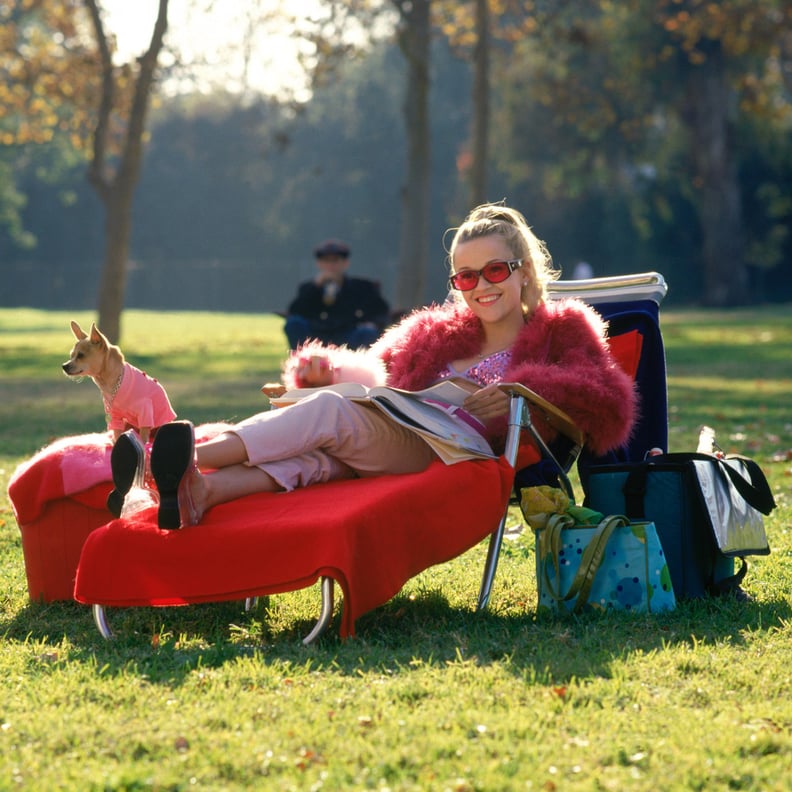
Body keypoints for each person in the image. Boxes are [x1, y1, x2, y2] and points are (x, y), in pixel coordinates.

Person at [113, 202, 638, 529]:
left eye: (495, 270)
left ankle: (179, 453)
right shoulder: (433, 334)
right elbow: (376, 374)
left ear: (525, 272)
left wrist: (522, 390)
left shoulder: (561, 328)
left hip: (462, 453)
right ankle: (199, 492)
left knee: (330, 416)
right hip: (400, 434)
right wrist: (329, 372)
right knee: (316, 455)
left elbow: (606, 399)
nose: (482, 286)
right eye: (466, 277)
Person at [284, 239, 391, 349]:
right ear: (319, 263)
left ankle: (356, 365)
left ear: (345, 263)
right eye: (326, 261)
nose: (330, 265)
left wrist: (372, 323)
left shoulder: (362, 287)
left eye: (335, 261)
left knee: (368, 332)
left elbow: (380, 312)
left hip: (348, 333)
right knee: (294, 324)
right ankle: (306, 363)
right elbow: (295, 311)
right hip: (315, 334)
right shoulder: (308, 287)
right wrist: (315, 287)